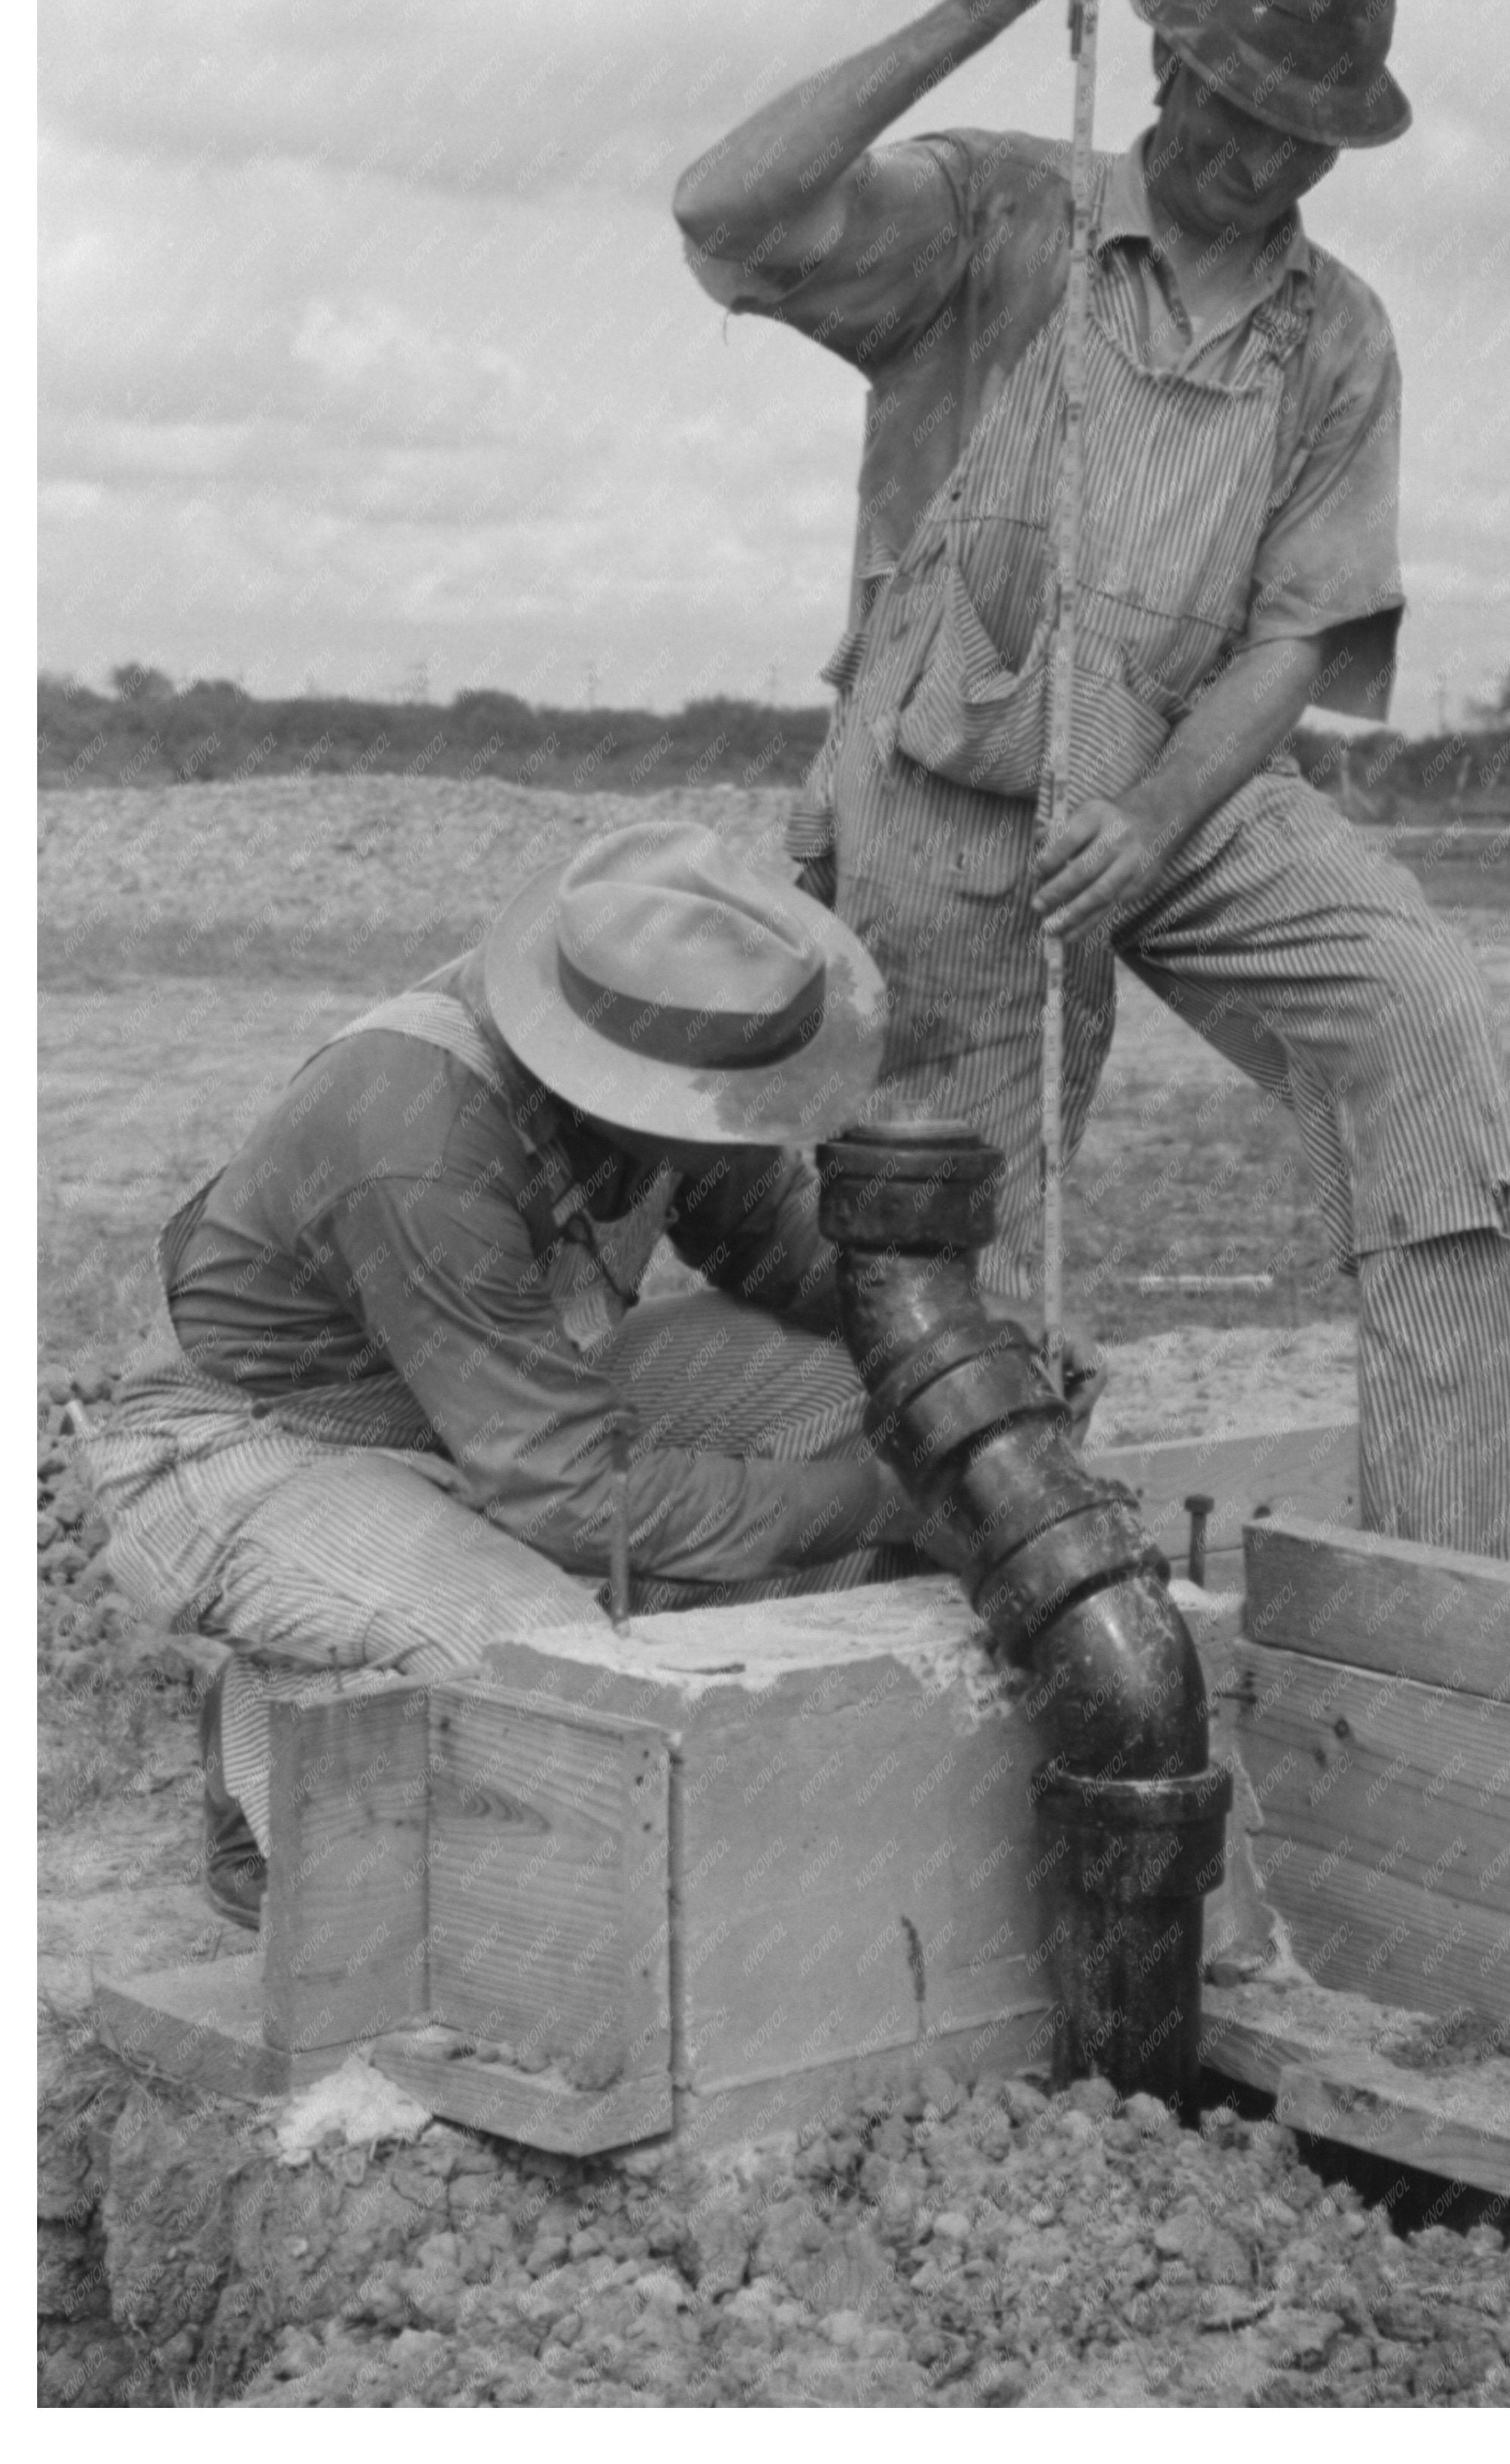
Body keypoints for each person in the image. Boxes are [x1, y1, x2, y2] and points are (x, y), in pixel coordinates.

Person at [673, 0, 1510, 1578]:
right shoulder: (998, 217)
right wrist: (973, 11)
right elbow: (727, 214)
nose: (1259, 157)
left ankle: (1484, 1582)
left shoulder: (1337, 339)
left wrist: (1154, 818)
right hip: (950, 789)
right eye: (1235, 106)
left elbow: (1296, 638)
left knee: (1414, 1011)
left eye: (1303, 131)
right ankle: (1006, 1600)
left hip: (1181, 780)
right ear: (1167, 64)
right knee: (967, 1239)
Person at [85, 823, 994, 1928]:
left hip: (485, 1405)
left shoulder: (661, 1062)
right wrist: (880, 1500)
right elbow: (573, 1491)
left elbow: (781, 1252)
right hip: (251, 1450)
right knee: (547, 1662)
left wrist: (963, 1349)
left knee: (855, 1394)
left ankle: (512, 1642)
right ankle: (280, 1734)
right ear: (616, 1072)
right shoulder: (415, 1128)